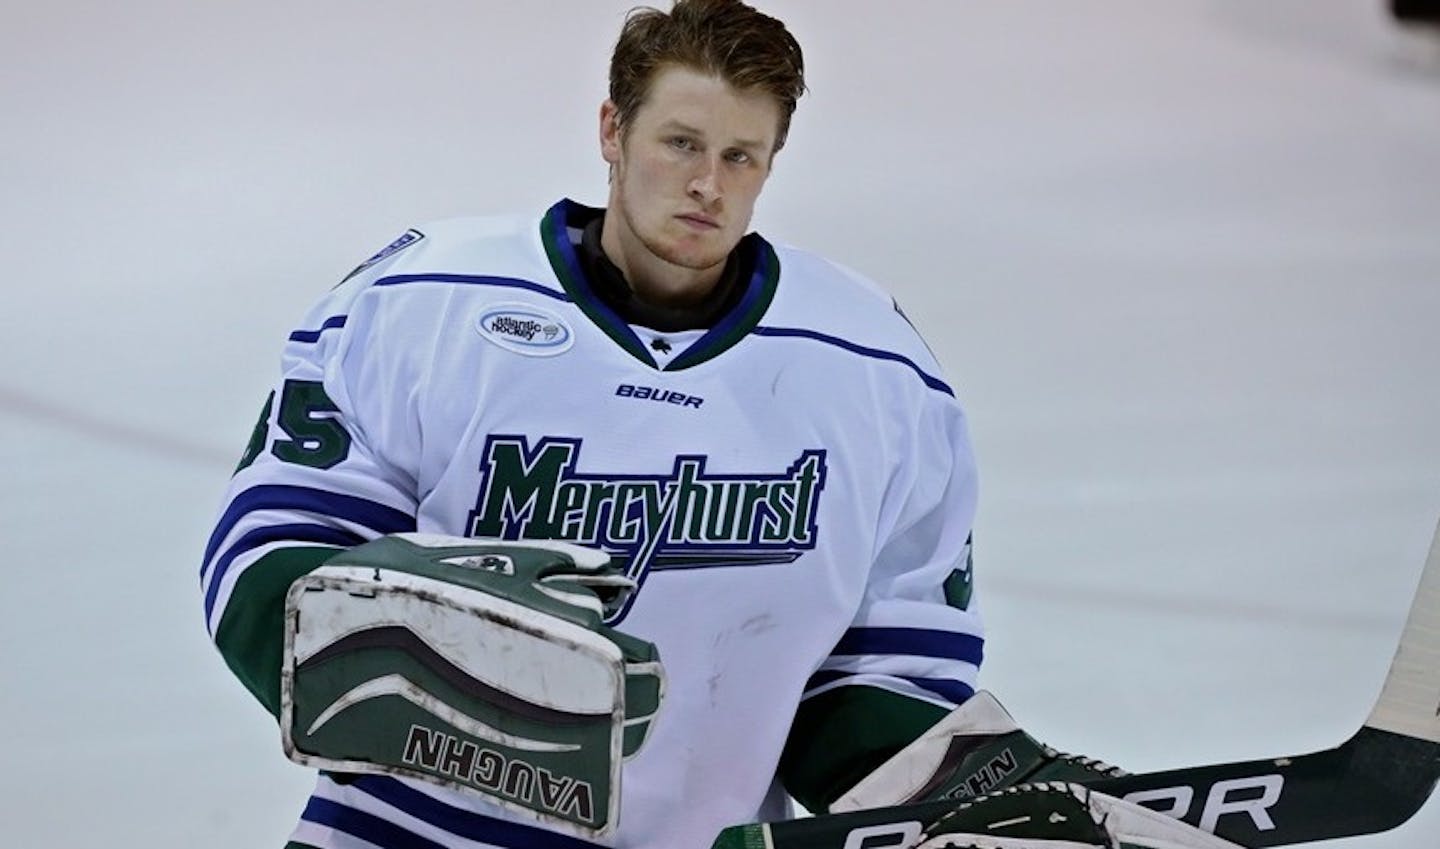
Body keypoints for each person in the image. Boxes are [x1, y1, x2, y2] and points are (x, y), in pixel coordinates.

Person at [201, 3, 1234, 849]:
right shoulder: (426, 302)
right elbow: (266, 570)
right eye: (682, 143)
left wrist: (970, 798)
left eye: (743, 157)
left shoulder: (874, 370)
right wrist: (448, 663)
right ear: (612, 131)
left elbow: (871, 677)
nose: (708, 184)